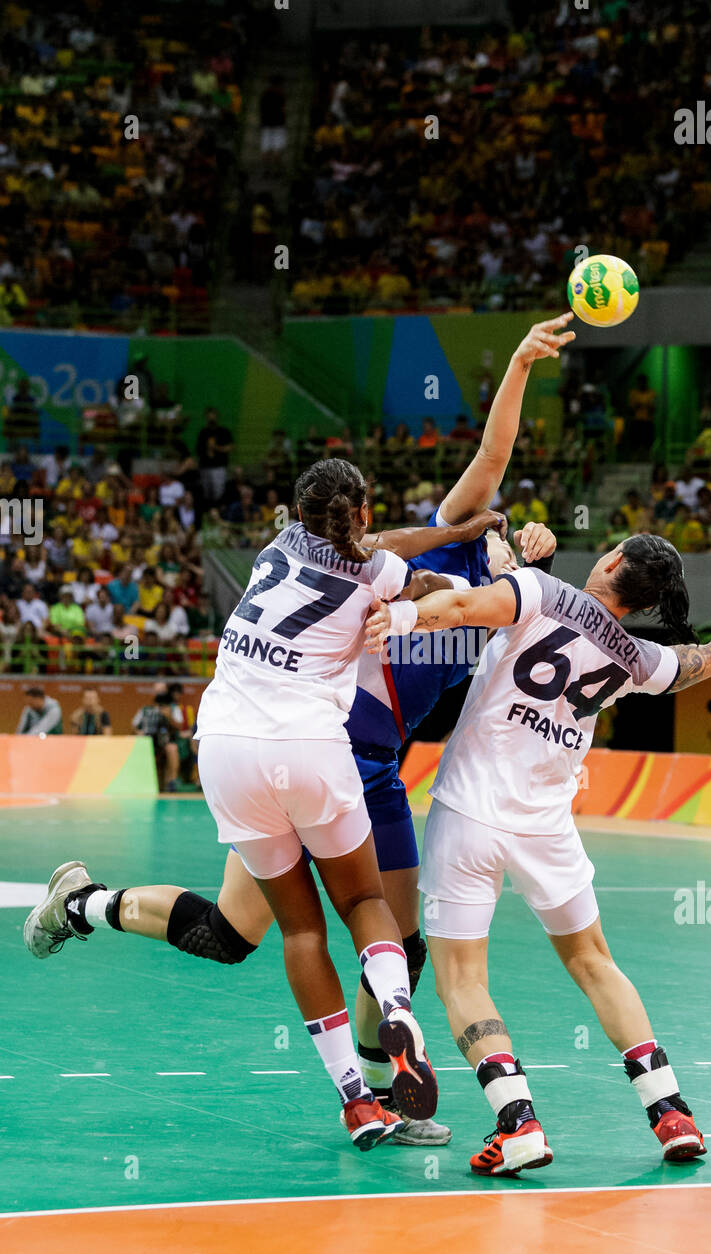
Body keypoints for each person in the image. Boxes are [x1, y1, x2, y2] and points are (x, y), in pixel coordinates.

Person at [24, 315, 576, 1148]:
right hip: (318, 748)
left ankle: (379, 1094)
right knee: (231, 935)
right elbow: (470, 482)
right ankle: (86, 902)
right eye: (490, 517)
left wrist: (525, 558)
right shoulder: (428, 552)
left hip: (357, 767)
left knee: (400, 942)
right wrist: (522, 370)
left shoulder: (510, 601)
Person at [364, 511, 711, 1174]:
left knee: (463, 978)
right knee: (597, 964)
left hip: (471, 815)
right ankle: (670, 1113)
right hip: (548, 825)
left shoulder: (543, 594)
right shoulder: (637, 657)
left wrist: (400, 617)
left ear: (612, 560)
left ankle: (517, 1123)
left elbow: (459, 605)